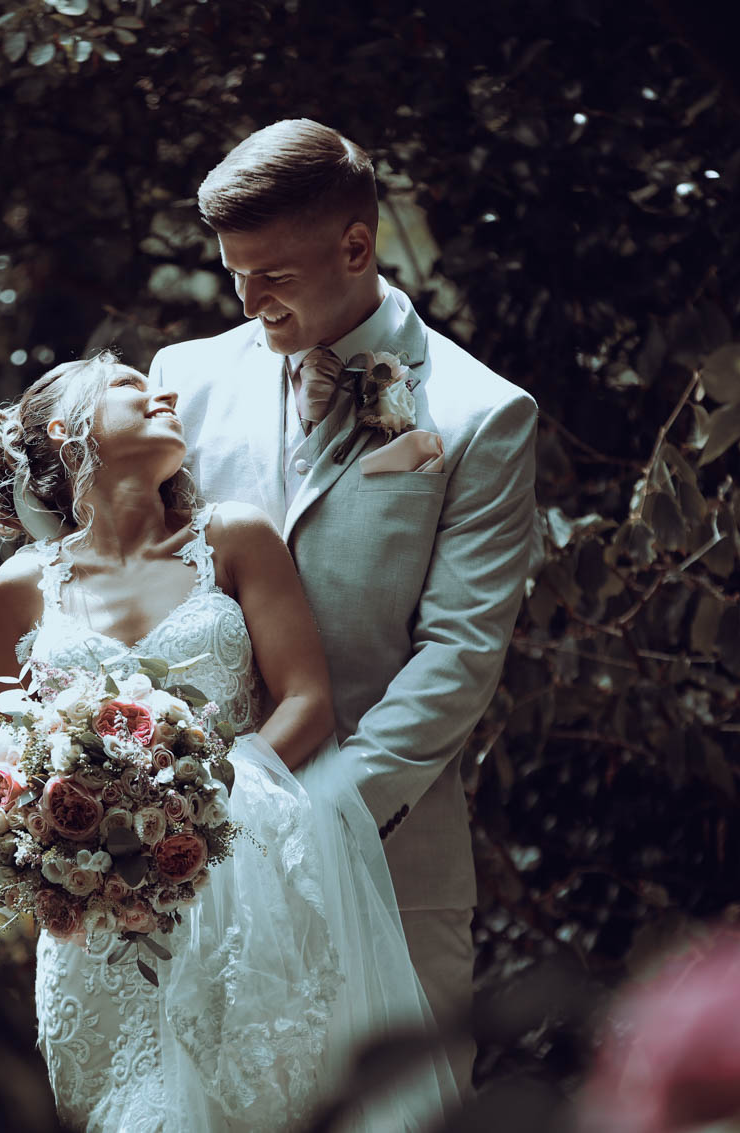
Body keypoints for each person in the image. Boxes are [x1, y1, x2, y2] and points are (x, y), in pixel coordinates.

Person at [0, 352, 458, 1132]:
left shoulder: (230, 537)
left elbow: (307, 699)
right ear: (65, 433)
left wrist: (200, 792)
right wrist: (54, 837)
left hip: (238, 868)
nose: (160, 392)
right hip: (99, 916)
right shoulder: (21, 586)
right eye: (129, 386)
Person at [149, 119, 541, 1093]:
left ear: (355, 246)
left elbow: (458, 651)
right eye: (233, 272)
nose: (247, 300)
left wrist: (311, 813)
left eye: (271, 274)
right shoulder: (178, 384)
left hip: (388, 857)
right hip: (192, 862)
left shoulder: (480, 411)